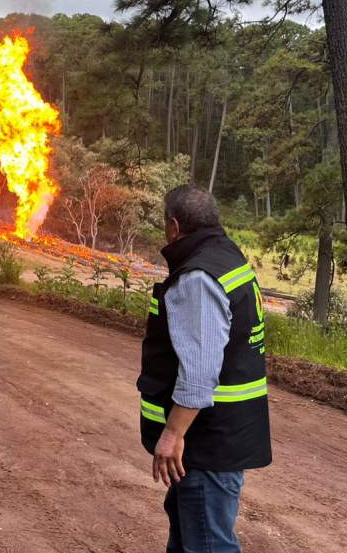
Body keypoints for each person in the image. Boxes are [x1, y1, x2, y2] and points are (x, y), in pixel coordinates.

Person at [137, 184, 271, 553]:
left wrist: (172, 434)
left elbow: (199, 372)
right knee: (188, 541)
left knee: (208, 545)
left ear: (174, 227)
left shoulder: (198, 277)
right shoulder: (226, 257)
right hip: (218, 437)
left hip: (204, 444)